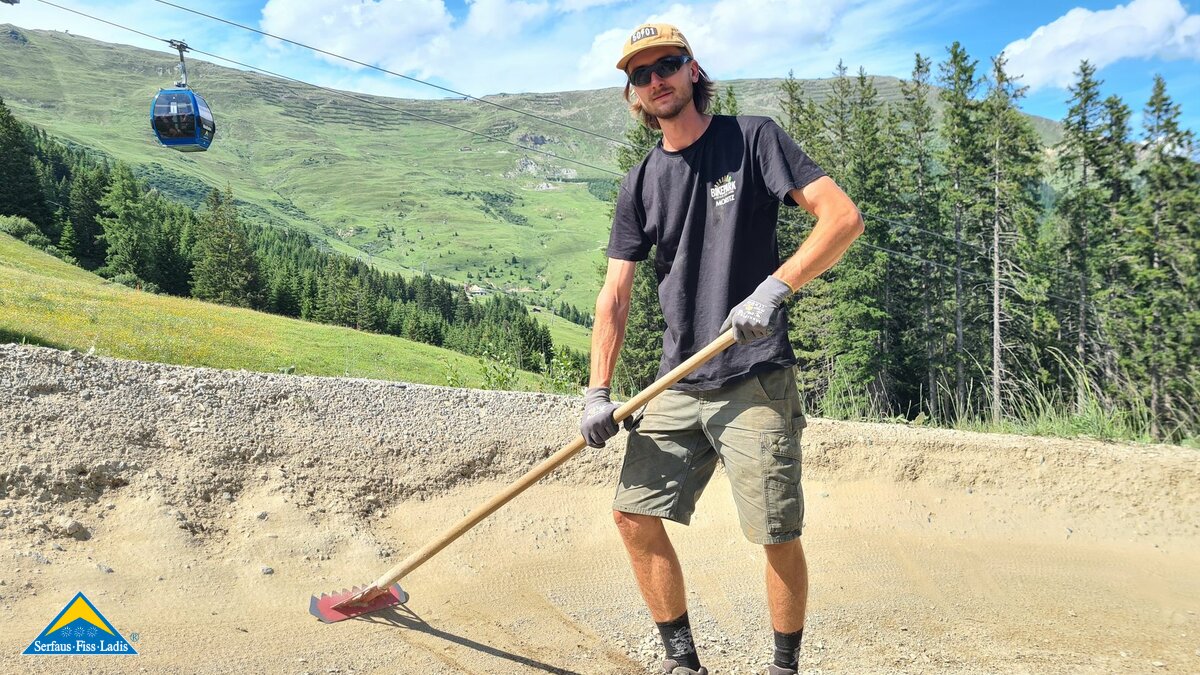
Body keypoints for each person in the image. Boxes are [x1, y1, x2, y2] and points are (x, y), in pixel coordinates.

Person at [579, 22, 864, 675]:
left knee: (775, 531)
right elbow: (614, 296)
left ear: (693, 69)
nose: (657, 79)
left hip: (754, 375)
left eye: (668, 64)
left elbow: (841, 217)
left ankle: (783, 666)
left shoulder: (753, 138)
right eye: (642, 74)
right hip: (678, 382)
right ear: (634, 94)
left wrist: (775, 287)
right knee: (632, 515)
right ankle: (684, 660)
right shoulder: (641, 183)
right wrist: (597, 389)